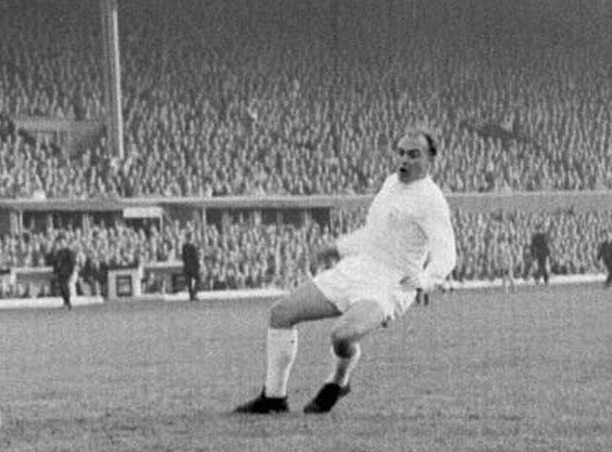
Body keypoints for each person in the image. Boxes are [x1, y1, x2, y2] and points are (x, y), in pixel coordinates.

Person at [236, 128, 457, 416]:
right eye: (401, 153)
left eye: (413, 155)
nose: (404, 159)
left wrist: (425, 280)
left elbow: (447, 253)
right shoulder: (391, 183)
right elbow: (374, 233)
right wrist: (336, 248)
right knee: (281, 313)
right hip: (358, 268)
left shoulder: (432, 200)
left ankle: (339, 380)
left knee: (342, 335)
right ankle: (274, 398)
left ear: (430, 159)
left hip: (390, 284)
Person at [48, 237, 79, 308]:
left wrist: (71, 272)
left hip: (66, 272)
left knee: (65, 286)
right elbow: (56, 263)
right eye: (60, 243)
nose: (61, 244)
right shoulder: (59, 252)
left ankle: (68, 301)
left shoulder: (69, 252)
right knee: (62, 287)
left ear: (65, 243)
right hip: (60, 272)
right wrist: (55, 271)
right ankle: (65, 301)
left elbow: (72, 263)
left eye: (62, 243)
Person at [179, 237, 203, 302]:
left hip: (187, 267)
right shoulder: (193, 247)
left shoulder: (184, 247)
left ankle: (191, 295)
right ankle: (194, 293)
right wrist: (198, 266)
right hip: (193, 267)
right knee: (198, 279)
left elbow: (183, 257)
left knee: (189, 282)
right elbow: (195, 258)